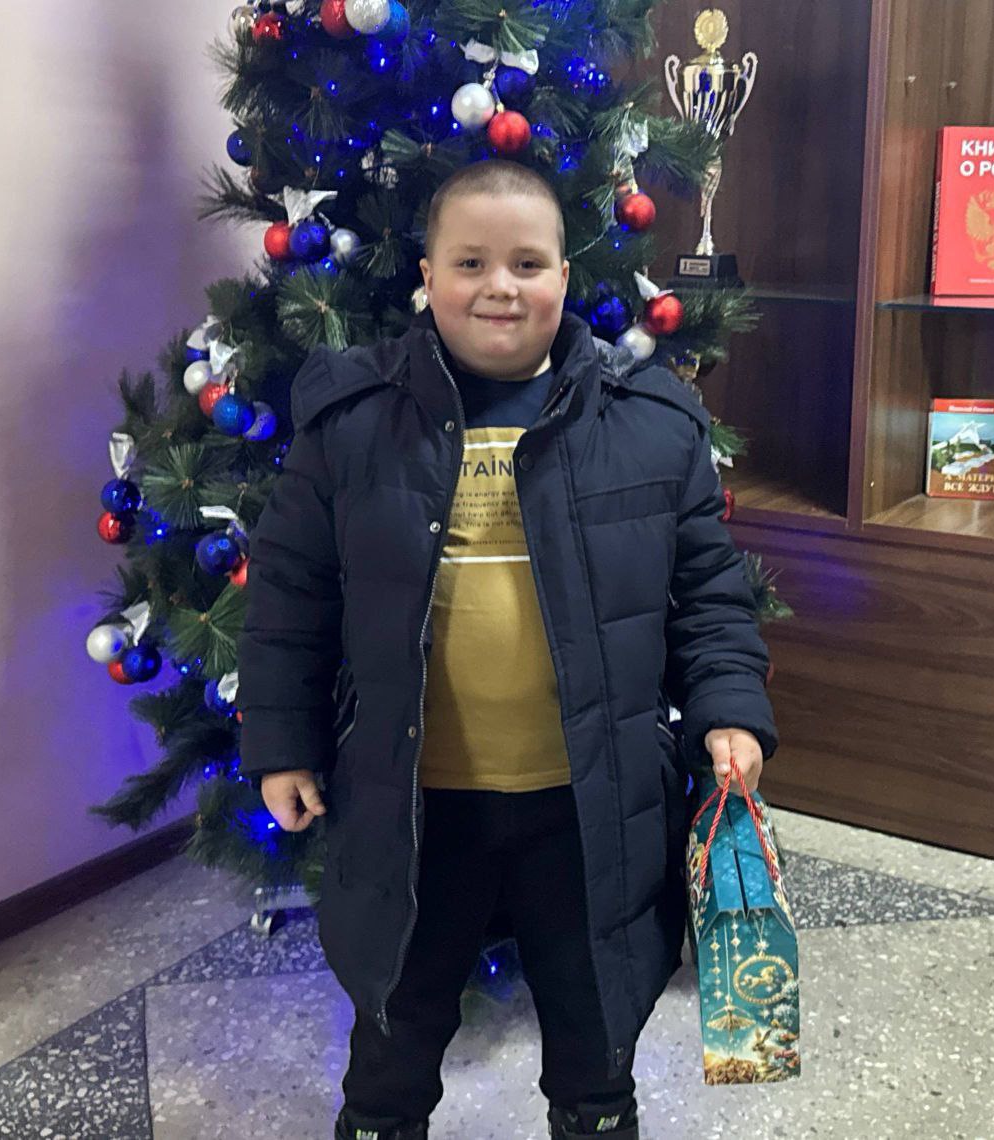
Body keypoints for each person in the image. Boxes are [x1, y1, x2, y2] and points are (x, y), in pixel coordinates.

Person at [236, 159, 778, 1140]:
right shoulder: (352, 424)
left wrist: (728, 710)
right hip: (417, 807)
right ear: (427, 276)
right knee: (393, 1040)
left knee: (595, 1038)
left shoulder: (649, 422)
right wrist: (281, 745)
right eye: (470, 262)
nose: (500, 286)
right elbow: (288, 597)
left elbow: (707, 591)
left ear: (564, 276)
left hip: (587, 807)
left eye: (527, 263)